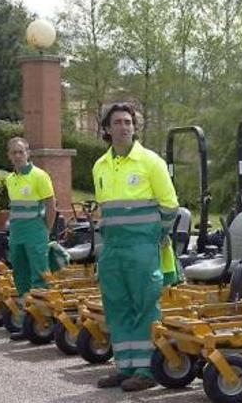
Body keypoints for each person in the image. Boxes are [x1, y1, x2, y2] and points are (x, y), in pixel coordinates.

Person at [93, 103, 179, 392]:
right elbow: (105, 211)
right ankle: (125, 366)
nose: (124, 126)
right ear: (107, 129)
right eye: (118, 122)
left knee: (144, 305)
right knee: (116, 306)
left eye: (129, 122)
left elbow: (169, 204)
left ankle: (146, 369)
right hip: (113, 248)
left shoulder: (150, 162)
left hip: (142, 246)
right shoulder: (100, 166)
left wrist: (159, 234)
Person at [4, 137, 56, 341]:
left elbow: (51, 206)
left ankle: (44, 324)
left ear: (28, 154)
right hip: (17, 233)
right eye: (13, 152)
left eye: (21, 152)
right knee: (21, 276)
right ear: (9, 155)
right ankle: (29, 322)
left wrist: (46, 232)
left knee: (40, 277)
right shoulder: (10, 179)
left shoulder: (39, 176)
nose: (17, 156)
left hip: (36, 232)